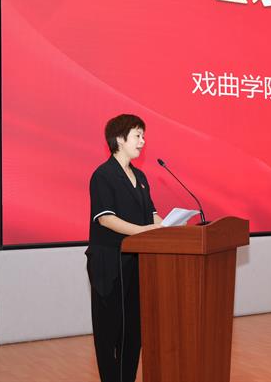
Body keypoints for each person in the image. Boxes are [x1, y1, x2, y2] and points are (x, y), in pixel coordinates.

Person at [86, 114, 163, 382]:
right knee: (110, 332)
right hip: (109, 263)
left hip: (136, 262)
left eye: (143, 136)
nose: (143, 141)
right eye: (137, 135)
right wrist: (145, 231)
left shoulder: (140, 176)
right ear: (119, 139)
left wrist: (169, 226)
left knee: (133, 330)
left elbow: (152, 215)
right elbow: (106, 219)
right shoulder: (103, 175)